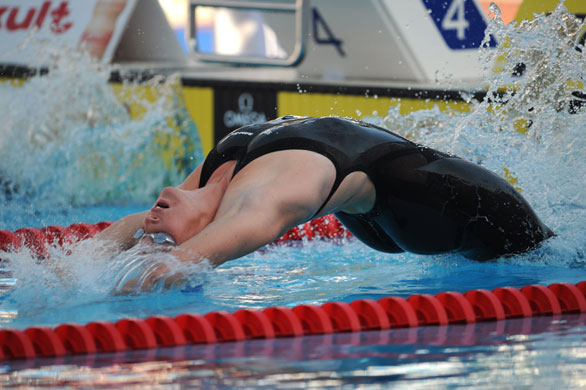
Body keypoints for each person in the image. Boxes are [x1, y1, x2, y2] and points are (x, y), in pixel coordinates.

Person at [95, 116, 553, 292]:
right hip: (396, 208)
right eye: (159, 234)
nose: (150, 229)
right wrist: (64, 273)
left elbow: (186, 254)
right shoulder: (235, 184)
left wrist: (160, 268)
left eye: (157, 235)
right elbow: (146, 231)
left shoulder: (255, 189)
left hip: (429, 194)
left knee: (546, 252)